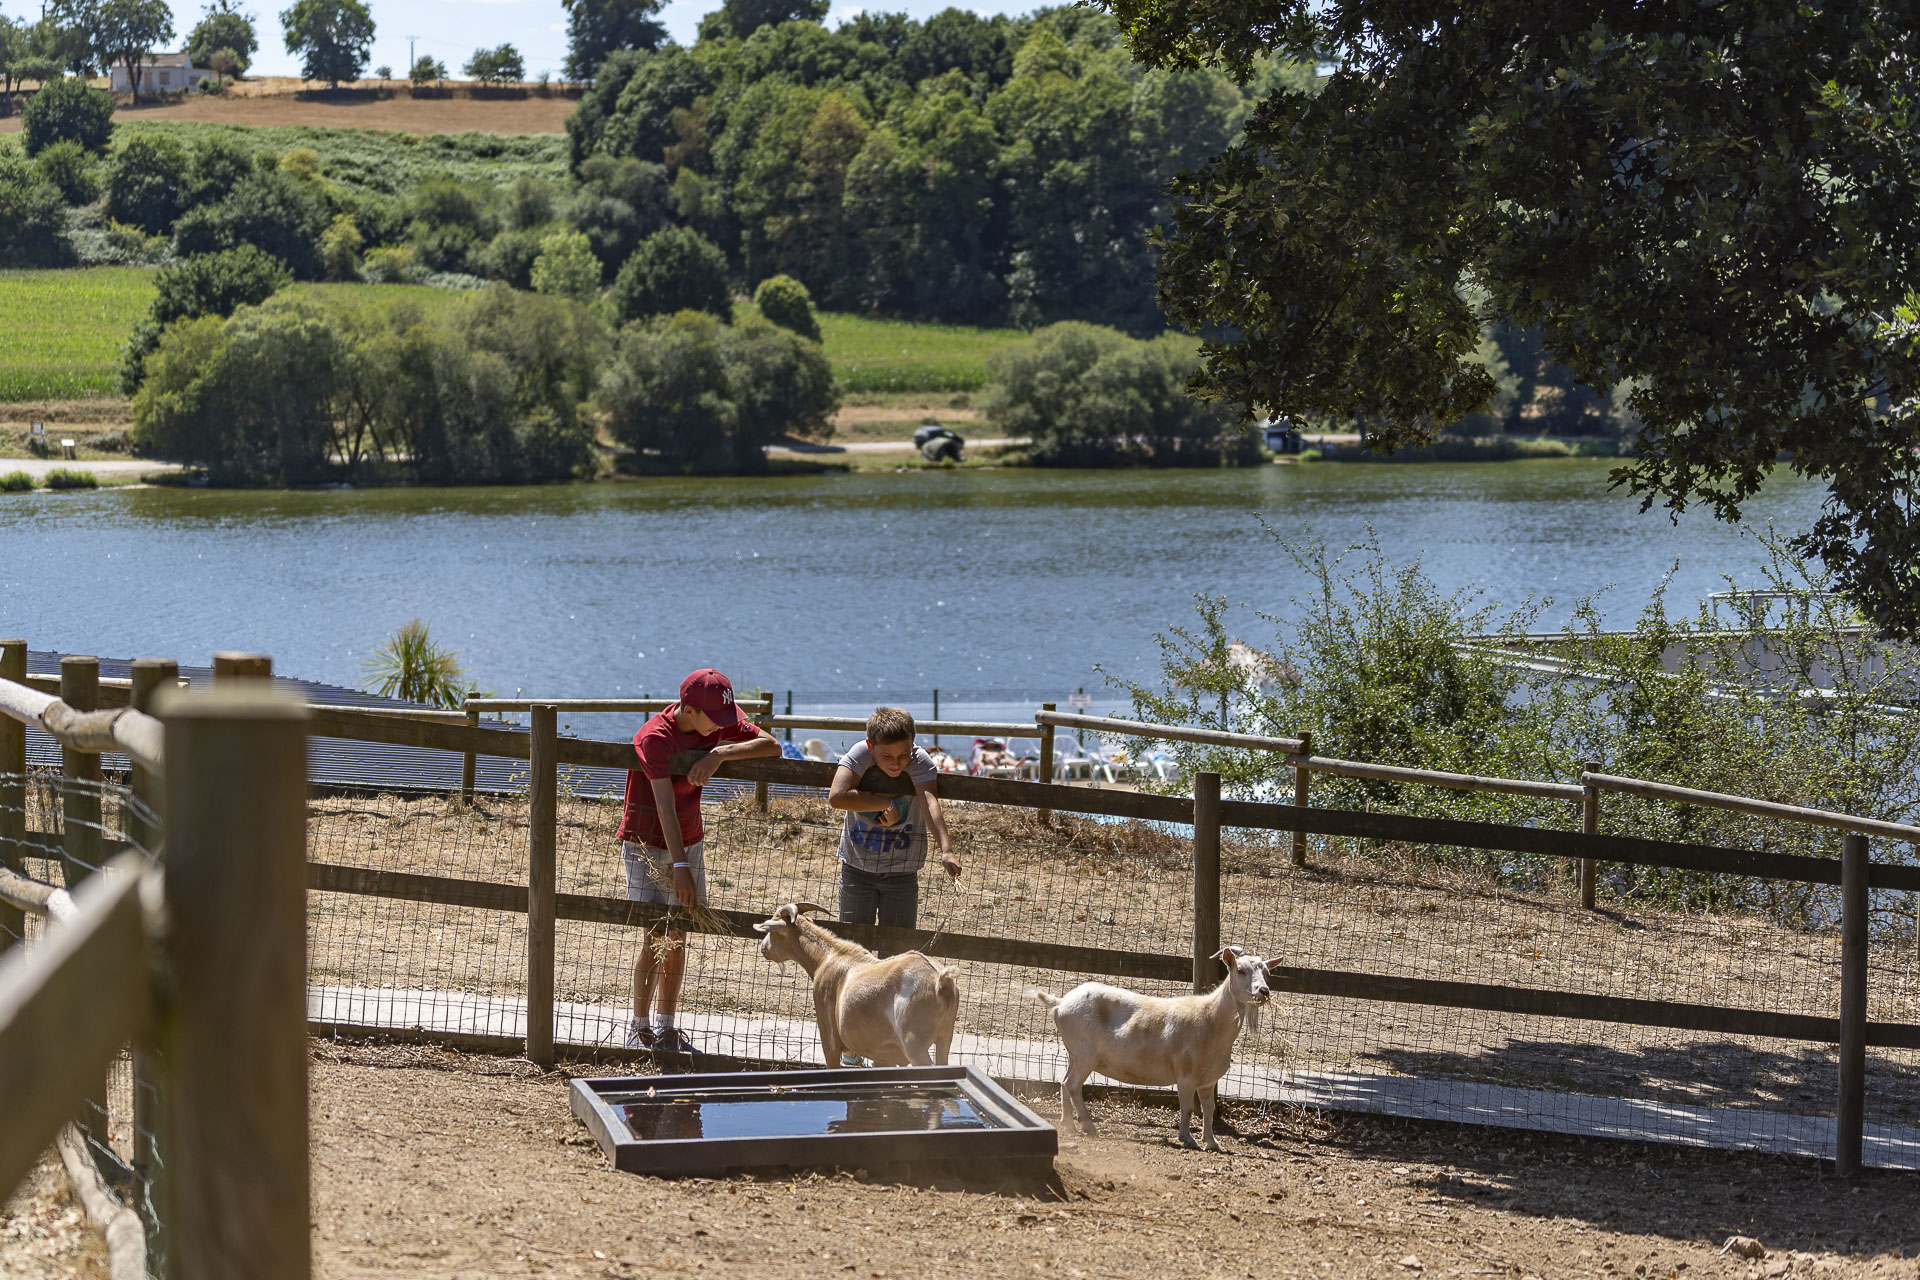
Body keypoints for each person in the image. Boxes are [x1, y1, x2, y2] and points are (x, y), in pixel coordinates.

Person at [619, 668, 780, 1054]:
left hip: (689, 839)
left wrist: (721, 753)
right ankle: (638, 1026)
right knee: (654, 933)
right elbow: (664, 805)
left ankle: (666, 1026)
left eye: (727, 720)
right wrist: (681, 868)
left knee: (680, 934)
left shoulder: (717, 726)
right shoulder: (654, 738)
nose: (723, 726)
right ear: (688, 710)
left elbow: (771, 745)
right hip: (647, 841)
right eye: (716, 721)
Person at [827, 705, 961, 933]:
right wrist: (886, 804)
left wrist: (946, 850)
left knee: (898, 945)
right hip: (857, 869)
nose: (896, 763)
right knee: (853, 943)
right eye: (887, 756)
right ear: (871, 746)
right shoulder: (860, 752)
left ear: (913, 744)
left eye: (903, 755)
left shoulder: (920, 761)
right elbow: (837, 797)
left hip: (903, 872)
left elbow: (930, 802)